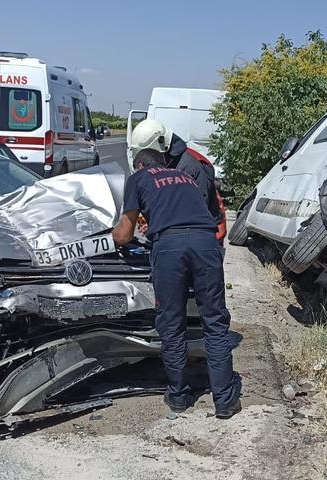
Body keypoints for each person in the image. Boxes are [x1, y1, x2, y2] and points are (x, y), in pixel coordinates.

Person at [112, 148, 242, 419]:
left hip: (170, 248)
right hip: (206, 244)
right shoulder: (186, 177)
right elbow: (186, 211)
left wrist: (116, 231)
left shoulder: (138, 179)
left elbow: (124, 235)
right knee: (215, 322)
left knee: (171, 322)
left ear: (139, 165)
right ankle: (225, 401)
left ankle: (179, 396)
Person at [129, 119, 227, 243]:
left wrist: (159, 224)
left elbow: (194, 212)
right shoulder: (169, 163)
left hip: (204, 237)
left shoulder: (192, 168)